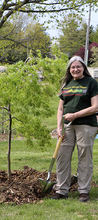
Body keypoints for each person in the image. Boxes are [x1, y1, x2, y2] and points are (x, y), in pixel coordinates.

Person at [51, 56, 98, 202]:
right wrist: (59, 127)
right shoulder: (66, 83)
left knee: (84, 157)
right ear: (69, 69)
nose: (75, 69)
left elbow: (95, 107)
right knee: (62, 156)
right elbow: (60, 109)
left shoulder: (91, 82)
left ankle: (83, 191)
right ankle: (61, 190)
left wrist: (75, 115)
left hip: (86, 125)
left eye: (78, 66)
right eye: (72, 67)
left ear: (83, 67)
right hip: (67, 127)